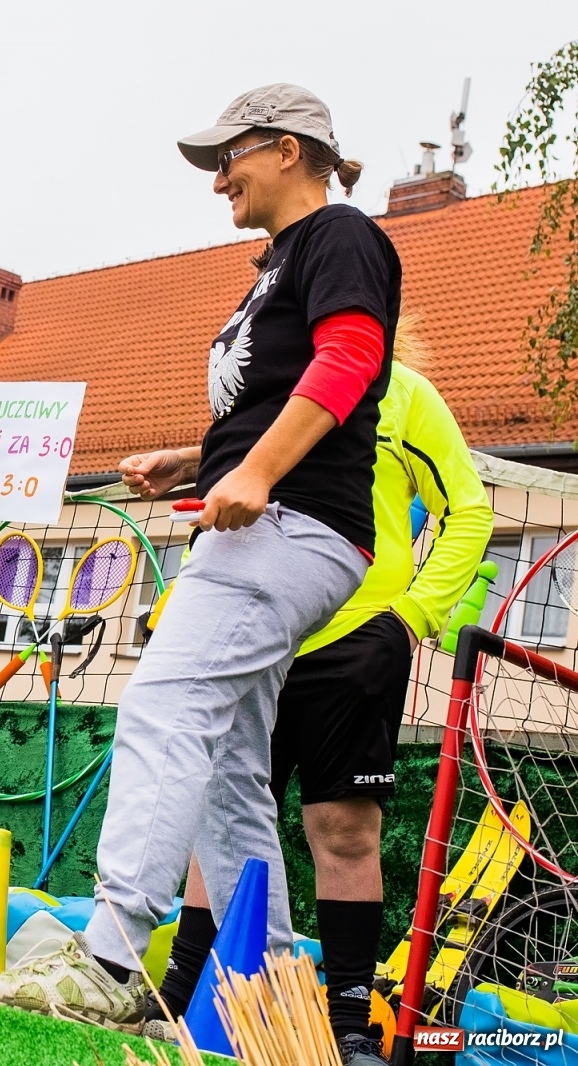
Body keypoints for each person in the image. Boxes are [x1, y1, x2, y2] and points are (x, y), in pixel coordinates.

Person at [0, 84, 400, 1029]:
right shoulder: (277, 265)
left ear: (287, 149)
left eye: (228, 159)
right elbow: (279, 390)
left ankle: (111, 960)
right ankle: (262, 1003)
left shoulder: (339, 236)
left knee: (163, 706)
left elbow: (352, 359)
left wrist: (259, 474)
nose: (217, 181)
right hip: (271, 524)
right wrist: (199, 460)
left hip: (287, 529)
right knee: (234, 769)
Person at [137, 326, 492, 1064]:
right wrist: (190, 463)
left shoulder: (405, 394)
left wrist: (409, 619)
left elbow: (470, 511)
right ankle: (181, 992)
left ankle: (349, 1025)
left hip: (355, 644)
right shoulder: (268, 388)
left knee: (345, 830)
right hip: (252, 632)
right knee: (223, 818)